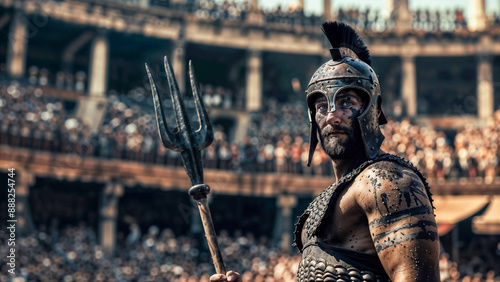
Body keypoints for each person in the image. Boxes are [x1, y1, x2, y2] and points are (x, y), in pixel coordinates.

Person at [211, 21, 439, 282]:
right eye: (321, 106)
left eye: (346, 102)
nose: (332, 116)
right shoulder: (331, 195)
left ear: (374, 111)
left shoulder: (388, 183)